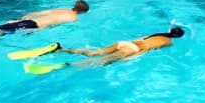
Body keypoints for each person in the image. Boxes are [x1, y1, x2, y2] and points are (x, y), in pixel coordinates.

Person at [24, 27, 185, 72]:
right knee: (99, 62)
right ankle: (65, 66)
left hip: (124, 43)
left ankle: (61, 50)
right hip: (132, 49)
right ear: (177, 37)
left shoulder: (156, 33)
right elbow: (152, 51)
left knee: (96, 52)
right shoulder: (168, 42)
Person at [0, 0, 89, 41]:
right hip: (32, 26)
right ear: (82, 11)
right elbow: (51, 25)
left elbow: (42, 12)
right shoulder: (73, 18)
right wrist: (34, 32)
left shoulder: (62, 8)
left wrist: (25, 16)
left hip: (29, 20)